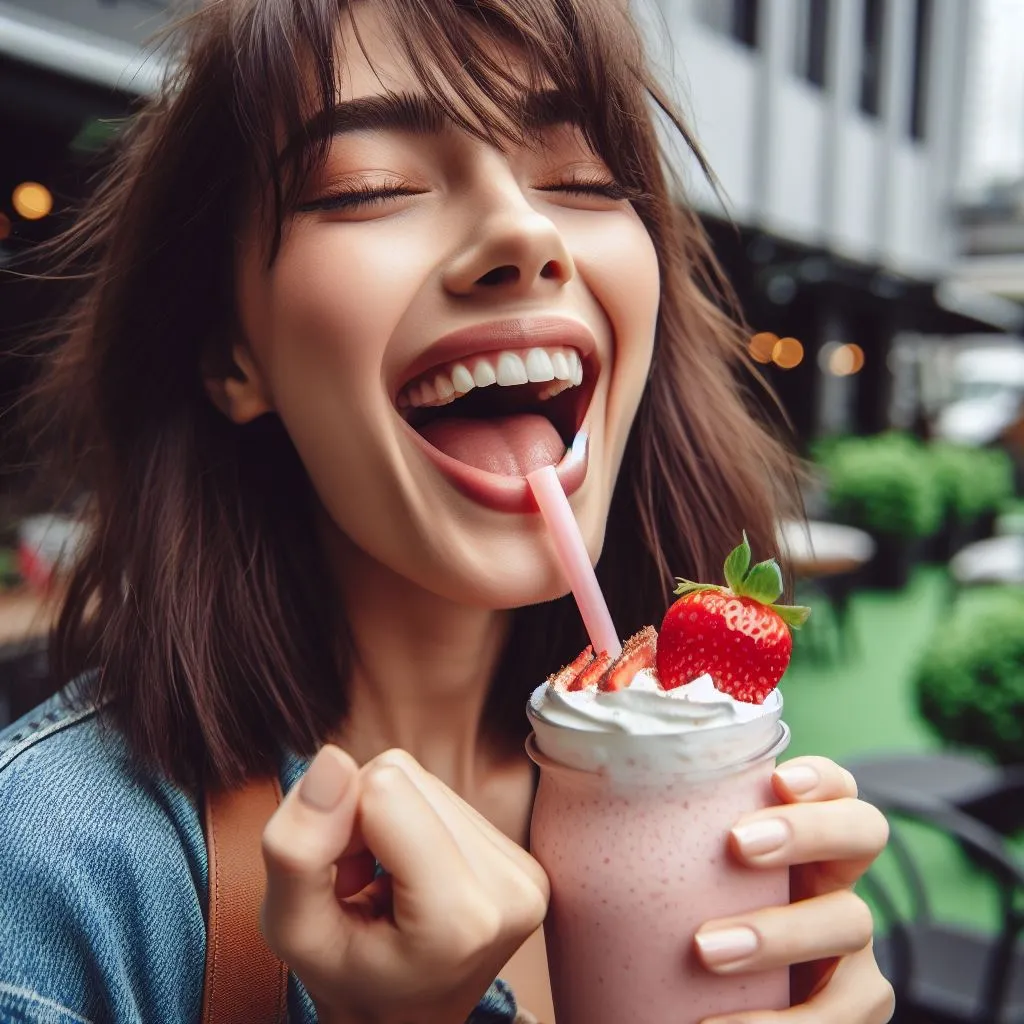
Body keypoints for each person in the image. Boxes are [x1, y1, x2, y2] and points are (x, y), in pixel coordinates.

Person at [0, 1, 894, 1022]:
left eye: (581, 178)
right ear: (229, 354)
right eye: (368, 187)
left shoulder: (694, 780)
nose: (523, 229)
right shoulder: (52, 884)